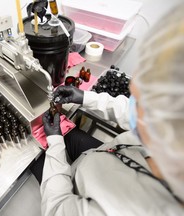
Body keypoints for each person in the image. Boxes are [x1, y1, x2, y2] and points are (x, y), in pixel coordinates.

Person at [35, 3, 184, 216]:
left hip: (78, 191)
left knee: (37, 158)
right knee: (69, 135)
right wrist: (85, 97)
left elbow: (57, 207)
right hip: (102, 156)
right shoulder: (167, 138)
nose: (132, 98)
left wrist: (55, 143)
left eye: (142, 103)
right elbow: (131, 113)